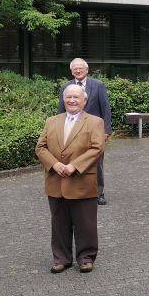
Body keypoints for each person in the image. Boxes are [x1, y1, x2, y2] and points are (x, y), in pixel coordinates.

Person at [36, 84, 106, 274]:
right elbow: (40, 147)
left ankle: (86, 257)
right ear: (63, 100)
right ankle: (61, 258)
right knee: (59, 223)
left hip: (82, 180)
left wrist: (74, 166)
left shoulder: (95, 122)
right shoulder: (51, 121)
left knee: (86, 223)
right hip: (56, 180)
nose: (72, 101)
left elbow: (97, 148)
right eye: (69, 97)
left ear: (84, 100)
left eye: (76, 97)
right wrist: (54, 164)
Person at [58, 58, 112, 205]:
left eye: (81, 67)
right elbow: (61, 111)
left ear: (87, 70)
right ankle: (72, 189)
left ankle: (98, 193)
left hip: (93, 132)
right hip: (72, 132)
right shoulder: (65, 87)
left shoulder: (98, 85)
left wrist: (106, 131)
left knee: (96, 162)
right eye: (75, 68)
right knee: (73, 160)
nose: (78, 70)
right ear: (71, 71)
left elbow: (105, 109)